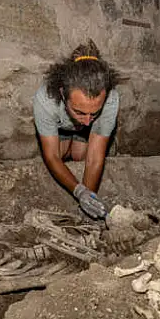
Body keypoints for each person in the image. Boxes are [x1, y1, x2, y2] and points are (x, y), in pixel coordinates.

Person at [32, 39, 121, 220]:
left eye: (94, 113)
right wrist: (78, 191)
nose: (88, 121)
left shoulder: (110, 100)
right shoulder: (45, 100)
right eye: (80, 112)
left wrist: (89, 201)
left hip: (84, 135)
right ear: (63, 95)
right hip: (62, 126)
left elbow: (95, 158)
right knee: (61, 154)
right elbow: (52, 157)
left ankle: (78, 140)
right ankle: (70, 138)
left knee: (81, 157)